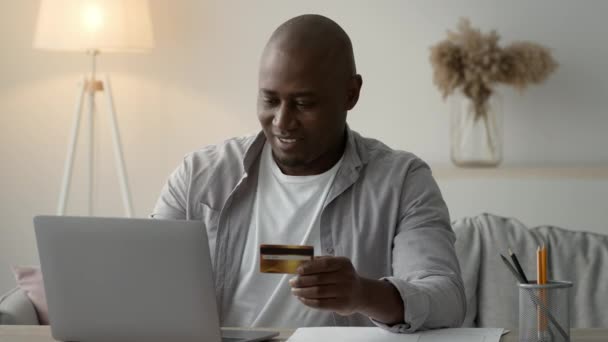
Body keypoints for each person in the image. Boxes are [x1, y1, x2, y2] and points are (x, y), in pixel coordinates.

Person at [151, 14, 465, 332]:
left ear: (350, 94)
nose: (282, 121)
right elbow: (142, 279)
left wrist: (363, 294)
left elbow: (446, 299)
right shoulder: (198, 176)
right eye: (270, 100)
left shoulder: (402, 182)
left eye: (303, 104)